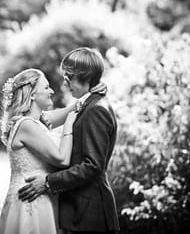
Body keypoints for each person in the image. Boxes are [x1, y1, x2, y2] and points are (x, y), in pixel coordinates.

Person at [18, 48, 120, 234]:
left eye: (69, 78)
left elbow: (92, 166)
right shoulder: (88, 104)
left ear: (86, 77)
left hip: (89, 214)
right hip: (79, 211)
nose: (65, 84)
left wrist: (48, 182)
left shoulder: (96, 110)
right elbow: (45, 119)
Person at [0, 68, 80, 234]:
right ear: (32, 94)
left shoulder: (36, 122)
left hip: (40, 197)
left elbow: (69, 110)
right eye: (46, 87)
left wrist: (90, 95)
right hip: (31, 201)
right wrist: (69, 125)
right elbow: (61, 159)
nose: (52, 91)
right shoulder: (26, 125)